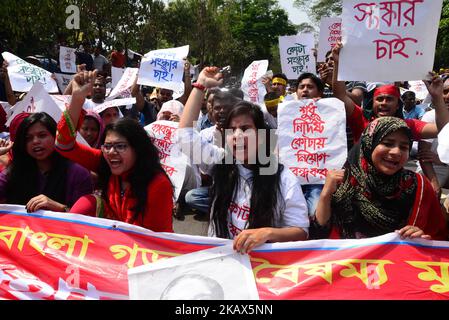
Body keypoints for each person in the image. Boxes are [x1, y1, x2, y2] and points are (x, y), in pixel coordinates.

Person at [178, 67, 309, 253]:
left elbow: (300, 231)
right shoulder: (220, 162)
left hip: (261, 267)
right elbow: (185, 136)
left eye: (246, 128)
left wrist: (267, 233)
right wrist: (200, 86)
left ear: (262, 136)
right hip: (222, 260)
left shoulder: (283, 177)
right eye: (232, 129)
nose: (238, 135)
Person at [55, 70, 174, 232]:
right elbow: (64, 145)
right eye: (107, 146)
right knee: (89, 203)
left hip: (145, 250)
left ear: (138, 149)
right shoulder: (105, 162)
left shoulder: (158, 184)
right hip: (112, 243)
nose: (111, 152)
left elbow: (158, 241)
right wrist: (77, 98)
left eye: (120, 146)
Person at [311, 117, 448, 240]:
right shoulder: (343, 181)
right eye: (388, 143)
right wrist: (326, 194)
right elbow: (319, 234)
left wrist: (421, 235)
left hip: (397, 265)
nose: (396, 152)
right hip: (349, 265)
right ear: (369, 144)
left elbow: (438, 236)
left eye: (404, 147)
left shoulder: (417, 185)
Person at [332, 42, 445, 144]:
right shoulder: (361, 120)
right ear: (373, 103)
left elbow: (443, 129)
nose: (384, 103)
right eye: (379, 99)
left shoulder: (408, 126)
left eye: (389, 99)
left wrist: (437, 97)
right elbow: (340, 95)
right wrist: (338, 63)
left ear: (397, 105)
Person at [0, 112, 93, 212]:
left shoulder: (78, 174)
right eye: (28, 138)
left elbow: (85, 219)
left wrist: (58, 207)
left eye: (42, 135)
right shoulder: (14, 171)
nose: (35, 141)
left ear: (55, 136)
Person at [417, 78, 449, 197]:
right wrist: (433, 183)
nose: (448, 95)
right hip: (435, 169)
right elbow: (424, 155)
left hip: (443, 164)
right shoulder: (430, 117)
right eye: (445, 91)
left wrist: (443, 159)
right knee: (427, 194)